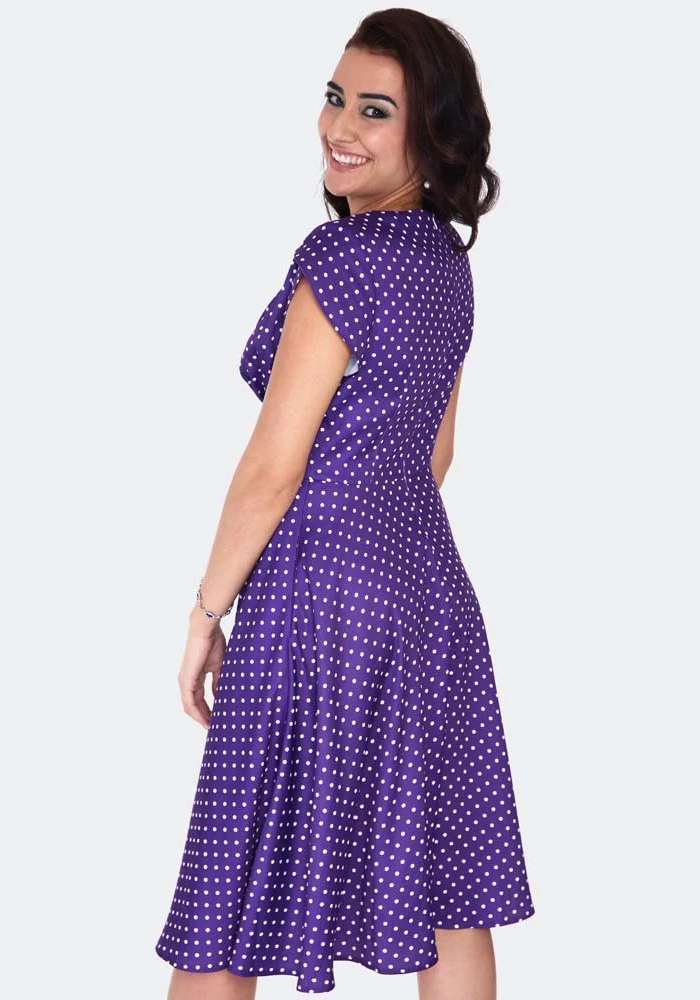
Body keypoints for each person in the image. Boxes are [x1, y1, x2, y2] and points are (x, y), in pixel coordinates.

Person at [155, 9, 535, 999]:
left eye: (374, 110)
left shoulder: (343, 259)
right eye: (334, 98)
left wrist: (205, 613)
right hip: (429, 593)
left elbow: (272, 469)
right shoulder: (446, 265)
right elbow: (435, 453)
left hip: (315, 590)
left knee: (231, 886)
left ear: (429, 134)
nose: (339, 127)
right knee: (449, 883)